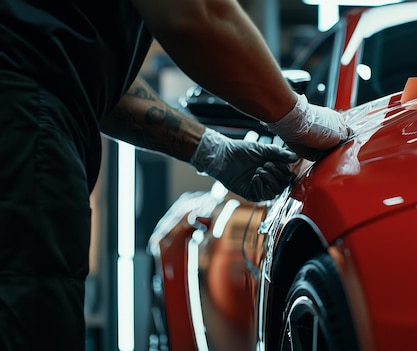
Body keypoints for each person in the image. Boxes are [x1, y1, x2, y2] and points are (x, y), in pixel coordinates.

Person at [0, 0, 350, 349]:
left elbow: (91, 80)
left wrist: (214, 150)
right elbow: (197, 12)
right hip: (21, 118)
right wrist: (297, 116)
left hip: (26, 110)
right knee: (34, 321)